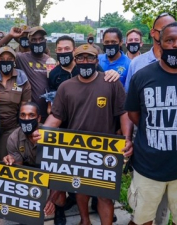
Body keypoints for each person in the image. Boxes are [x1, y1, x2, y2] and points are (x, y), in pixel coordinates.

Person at [32, 43, 133, 225]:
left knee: (105, 195)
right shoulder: (65, 87)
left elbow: (123, 112)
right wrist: (43, 132)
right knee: (80, 189)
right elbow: (56, 115)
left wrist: (126, 137)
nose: (85, 61)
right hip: (77, 149)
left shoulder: (110, 82)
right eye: (81, 58)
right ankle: (85, 221)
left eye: (90, 58)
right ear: (75, 60)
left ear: (96, 60)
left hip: (104, 149)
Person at [125, 22, 177, 225]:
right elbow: (134, 115)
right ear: (159, 42)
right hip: (148, 166)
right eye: (170, 40)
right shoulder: (142, 76)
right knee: (142, 220)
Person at [3, 102, 62, 218]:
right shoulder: (13, 138)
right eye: (23, 115)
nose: (26, 119)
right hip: (29, 170)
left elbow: (60, 171)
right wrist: (11, 162)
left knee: (60, 196)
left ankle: (59, 210)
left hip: (50, 170)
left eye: (31, 115)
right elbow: (19, 174)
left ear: (39, 118)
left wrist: (51, 200)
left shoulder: (52, 136)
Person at [0, 26, 50, 122]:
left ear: (45, 40)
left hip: (46, 113)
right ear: (29, 42)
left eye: (40, 39)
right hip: (26, 114)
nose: (38, 42)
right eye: (34, 39)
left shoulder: (49, 60)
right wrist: (10, 36)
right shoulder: (21, 58)